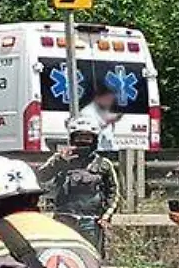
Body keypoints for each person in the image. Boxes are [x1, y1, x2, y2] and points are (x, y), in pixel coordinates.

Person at [40, 108, 119, 256]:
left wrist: (106, 217)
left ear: (94, 140)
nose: (83, 142)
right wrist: (59, 162)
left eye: (87, 138)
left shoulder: (104, 164)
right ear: (72, 139)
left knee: (91, 257)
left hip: (91, 221)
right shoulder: (60, 159)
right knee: (61, 256)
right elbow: (41, 176)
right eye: (79, 138)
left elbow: (114, 193)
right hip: (64, 219)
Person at [84, 86, 122, 153]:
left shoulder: (105, 110)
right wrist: (107, 121)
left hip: (108, 148)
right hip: (96, 149)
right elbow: (90, 129)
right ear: (98, 98)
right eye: (107, 99)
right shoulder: (88, 111)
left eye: (111, 100)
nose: (110, 102)